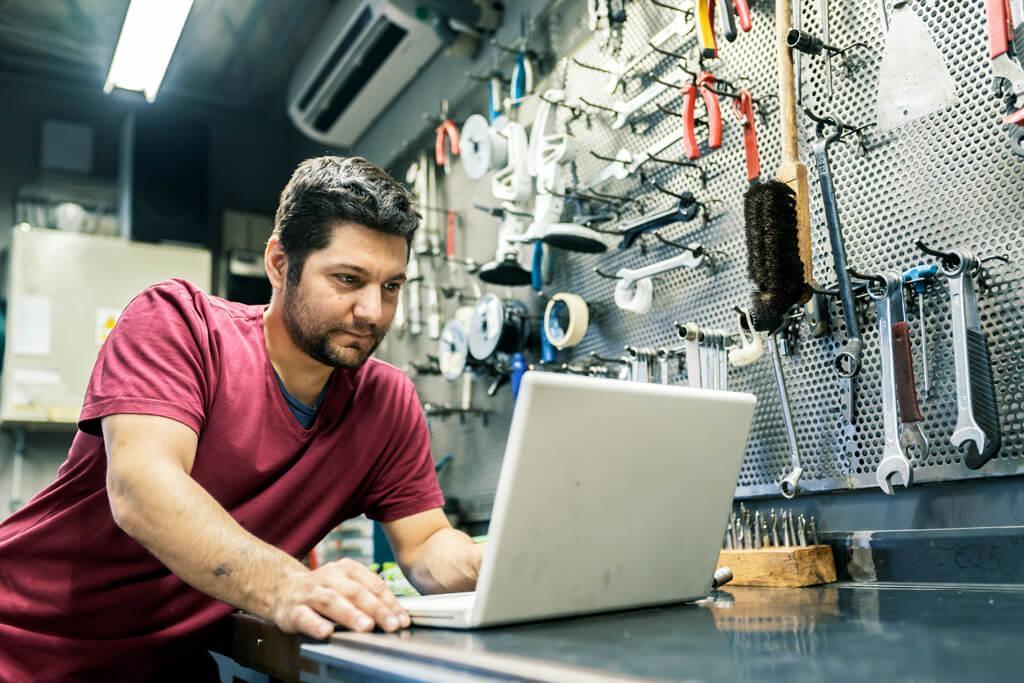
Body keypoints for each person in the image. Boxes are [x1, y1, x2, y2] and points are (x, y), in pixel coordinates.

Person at [0, 156, 483, 681]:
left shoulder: (386, 402)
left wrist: (498, 568)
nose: (372, 311)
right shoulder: (178, 324)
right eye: (348, 279)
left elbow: (426, 544)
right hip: (26, 648)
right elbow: (142, 489)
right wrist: (288, 585)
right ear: (279, 263)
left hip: (160, 663)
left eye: (391, 287)